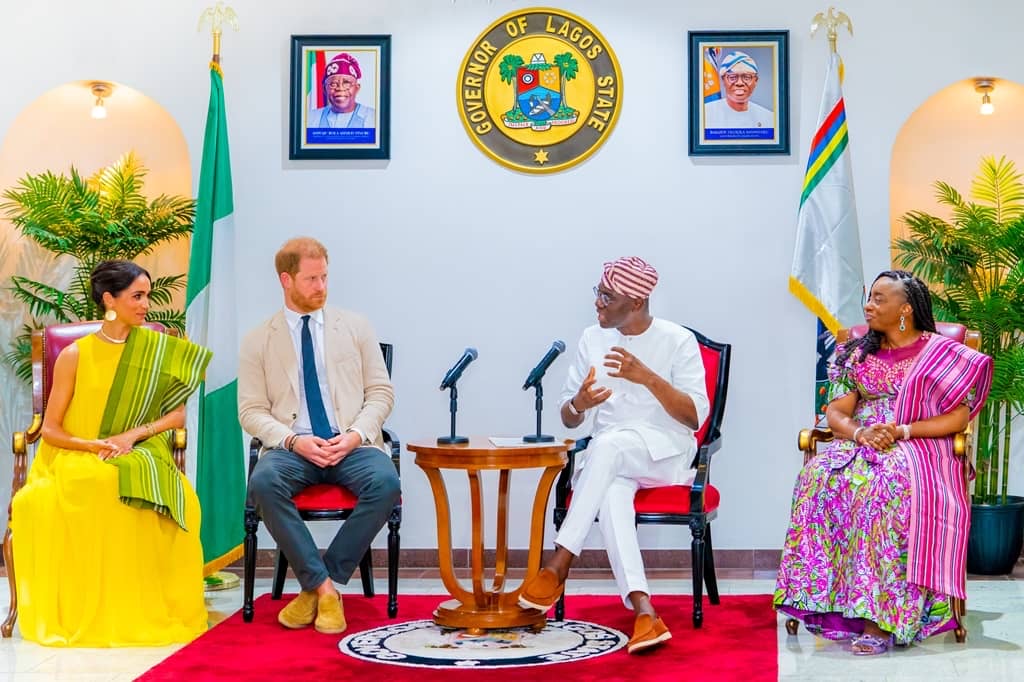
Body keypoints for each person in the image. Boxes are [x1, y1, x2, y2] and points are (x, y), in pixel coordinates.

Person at [774, 271, 993, 655]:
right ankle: (829, 602)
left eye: (879, 298)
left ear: (905, 309)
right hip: (865, 439)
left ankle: (881, 619)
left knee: (883, 487)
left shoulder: (940, 352)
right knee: (817, 477)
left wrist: (903, 430)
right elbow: (837, 410)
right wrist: (860, 433)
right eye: (869, 298)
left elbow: (958, 419)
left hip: (921, 443)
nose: (869, 306)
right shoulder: (859, 352)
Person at [10, 260, 211, 646]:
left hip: (139, 448)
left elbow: (177, 414)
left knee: (174, 492)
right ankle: (96, 611)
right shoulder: (74, 356)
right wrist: (93, 445)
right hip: (76, 452)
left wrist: (132, 436)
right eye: (137, 296)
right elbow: (50, 429)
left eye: (147, 295)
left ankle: (145, 607)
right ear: (109, 299)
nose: (146, 305)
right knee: (89, 484)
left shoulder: (157, 350)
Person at [518, 256, 709, 655]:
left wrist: (648, 378)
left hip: (664, 452)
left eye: (607, 296)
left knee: (608, 447)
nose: (598, 303)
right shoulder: (592, 339)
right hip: (610, 461)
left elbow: (693, 418)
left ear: (636, 303)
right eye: (598, 293)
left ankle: (559, 562)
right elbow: (569, 418)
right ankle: (644, 610)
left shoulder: (677, 340)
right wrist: (579, 402)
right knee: (611, 490)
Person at [239, 237, 399, 635]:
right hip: (294, 447)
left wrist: (356, 434)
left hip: (351, 443)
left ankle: (316, 585)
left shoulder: (356, 327)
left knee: (386, 482)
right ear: (286, 280)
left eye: (325, 277)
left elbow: (381, 392)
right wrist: (294, 441)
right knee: (263, 480)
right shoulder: (258, 339)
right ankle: (326, 589)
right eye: (311, 279)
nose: (321, 287)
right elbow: (251, 411)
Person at [704, 50, 774, 129]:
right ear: (723, 80)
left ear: (756, 81)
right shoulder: (704, 115)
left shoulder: (770, 119)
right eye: (732, 77)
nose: (739, 83)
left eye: (747, 77)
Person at [310, 53, 376, 129]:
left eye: (346, 83)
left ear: (357, 88)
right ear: (325, 89)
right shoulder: (310, 118)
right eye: (333, 83)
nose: (340, 88)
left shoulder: (374, 118)